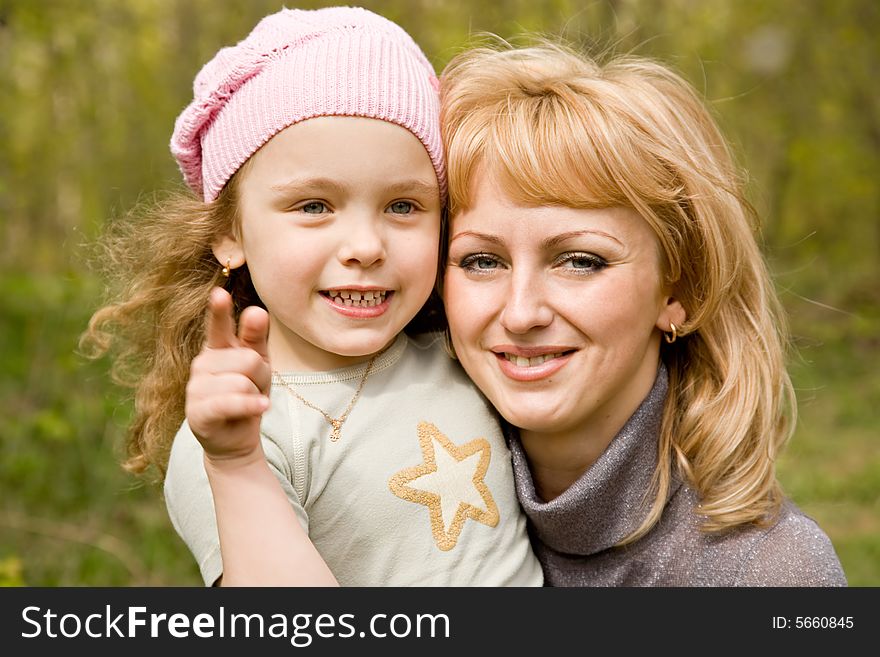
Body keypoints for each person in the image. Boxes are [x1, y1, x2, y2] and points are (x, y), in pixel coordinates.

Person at [82, 7, 542, 587]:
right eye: (314, 206)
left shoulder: (460, 352)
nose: (366, 246)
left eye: (403, 206)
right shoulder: (240, 434)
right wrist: (237, 465)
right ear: (230, 231)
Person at [438, 42, 847, 586]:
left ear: (680, 289)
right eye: (482, 260)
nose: (520, 313)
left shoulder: (770, 572)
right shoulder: (382, 499)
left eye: (580, 261)